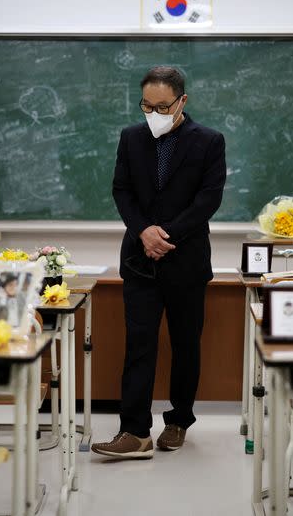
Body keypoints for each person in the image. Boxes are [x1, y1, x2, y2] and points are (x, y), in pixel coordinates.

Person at [92, 66, 226, 459]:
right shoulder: (131, 137)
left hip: (185, 260)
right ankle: (134, 432)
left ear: (182, 101)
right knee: (138, 346)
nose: (153, 113)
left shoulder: (208, 141)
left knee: (186, 345)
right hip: (139, 260)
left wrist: (165, 235)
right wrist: (143, 232)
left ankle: (179, 420)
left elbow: (209, 198)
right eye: (146, 105)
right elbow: (121, 189)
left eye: (162, 106)